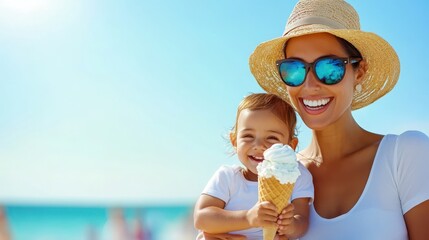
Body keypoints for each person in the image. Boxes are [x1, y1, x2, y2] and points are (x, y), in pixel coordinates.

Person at [248, 0, 429, 239]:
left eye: (329, 67)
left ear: (359, 72)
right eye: (294, 69)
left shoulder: (405, 154)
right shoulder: (279, 171)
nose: (310, 85)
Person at [194, 93, 314, 239]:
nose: (258, 146)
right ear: (234, 141)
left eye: (272, 138)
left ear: (290, 145)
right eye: (248, 136)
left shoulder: (297, 175)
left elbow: (302, 221)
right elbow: (201, 218)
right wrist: (248, 218)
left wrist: (291, 225)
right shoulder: (228, 177)